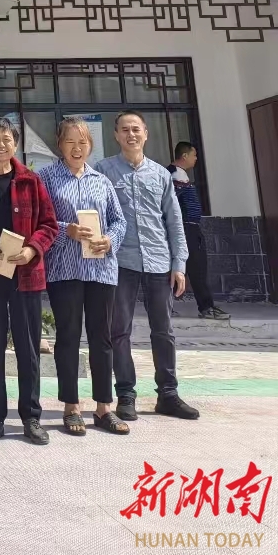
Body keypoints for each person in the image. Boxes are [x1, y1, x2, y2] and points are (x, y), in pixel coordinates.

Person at [0, 116, 58, 446]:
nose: (1, 145)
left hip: (25, 277)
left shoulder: (30, 180)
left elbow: (49, 225)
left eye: (6, 139)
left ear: (15, 144)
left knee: (28, 349)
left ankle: (31, 417)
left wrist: (32, 250)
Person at [98, 113, 199, 421]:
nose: (131, 134)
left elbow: (174, 221)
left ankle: (168, 394)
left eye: (136, 129)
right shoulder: (103, 171)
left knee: (164, 331)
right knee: (119, 331)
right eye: (125, 130)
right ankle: (125, 394)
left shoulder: (160, 174)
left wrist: (179, 264)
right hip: (120, 262)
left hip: (159, 262)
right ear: (116, 135)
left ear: (146, 134)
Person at [41, 117, 129, 435]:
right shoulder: (46, 177)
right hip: (64, 269)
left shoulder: (101, 180)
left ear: (90, 145)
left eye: (83, 142)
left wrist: (110, 239)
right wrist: (66, 230)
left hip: (100, 270)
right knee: (68, 337)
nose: (77, 148)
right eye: (70, 142)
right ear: (59, 144)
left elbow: (119, 221)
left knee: (101, 338)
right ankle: (71, 406)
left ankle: (104, 407)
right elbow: (40, 221)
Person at [170, 142, 230, 321]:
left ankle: (166, 306)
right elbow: (169, 203)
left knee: (189, 267)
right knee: (196, 267)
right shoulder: (174, 175)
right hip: (185, 228)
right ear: (185, 156)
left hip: (188, 227)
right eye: (194, 155)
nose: (196, 159)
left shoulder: (178, 174)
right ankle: (206, 307)